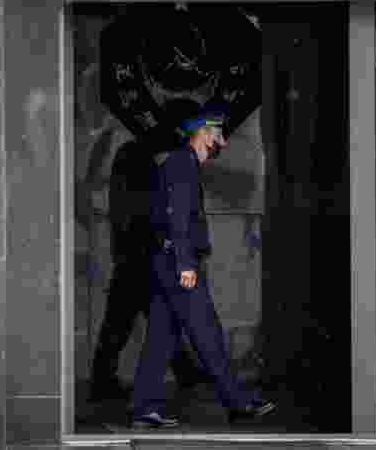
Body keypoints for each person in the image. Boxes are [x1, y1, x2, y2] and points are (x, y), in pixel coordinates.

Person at [129, 108, 276, 429]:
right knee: (207, 333)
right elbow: (177, 214)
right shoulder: (183, 164)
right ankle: (237, 403)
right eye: (217, 133)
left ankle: (144, 407)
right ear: (204, 133)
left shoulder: (181, 163)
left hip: (165, 261)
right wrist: (185, 262)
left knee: (161, 338)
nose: (220, 141)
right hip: (177, 262)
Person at [90, 138, 209, 401]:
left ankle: (182, 369)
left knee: (132, 318)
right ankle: (103, 379)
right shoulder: (139, 158)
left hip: (135, 252)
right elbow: (142, 210)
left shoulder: (134, 155)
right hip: (138, 253)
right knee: (126, 319)